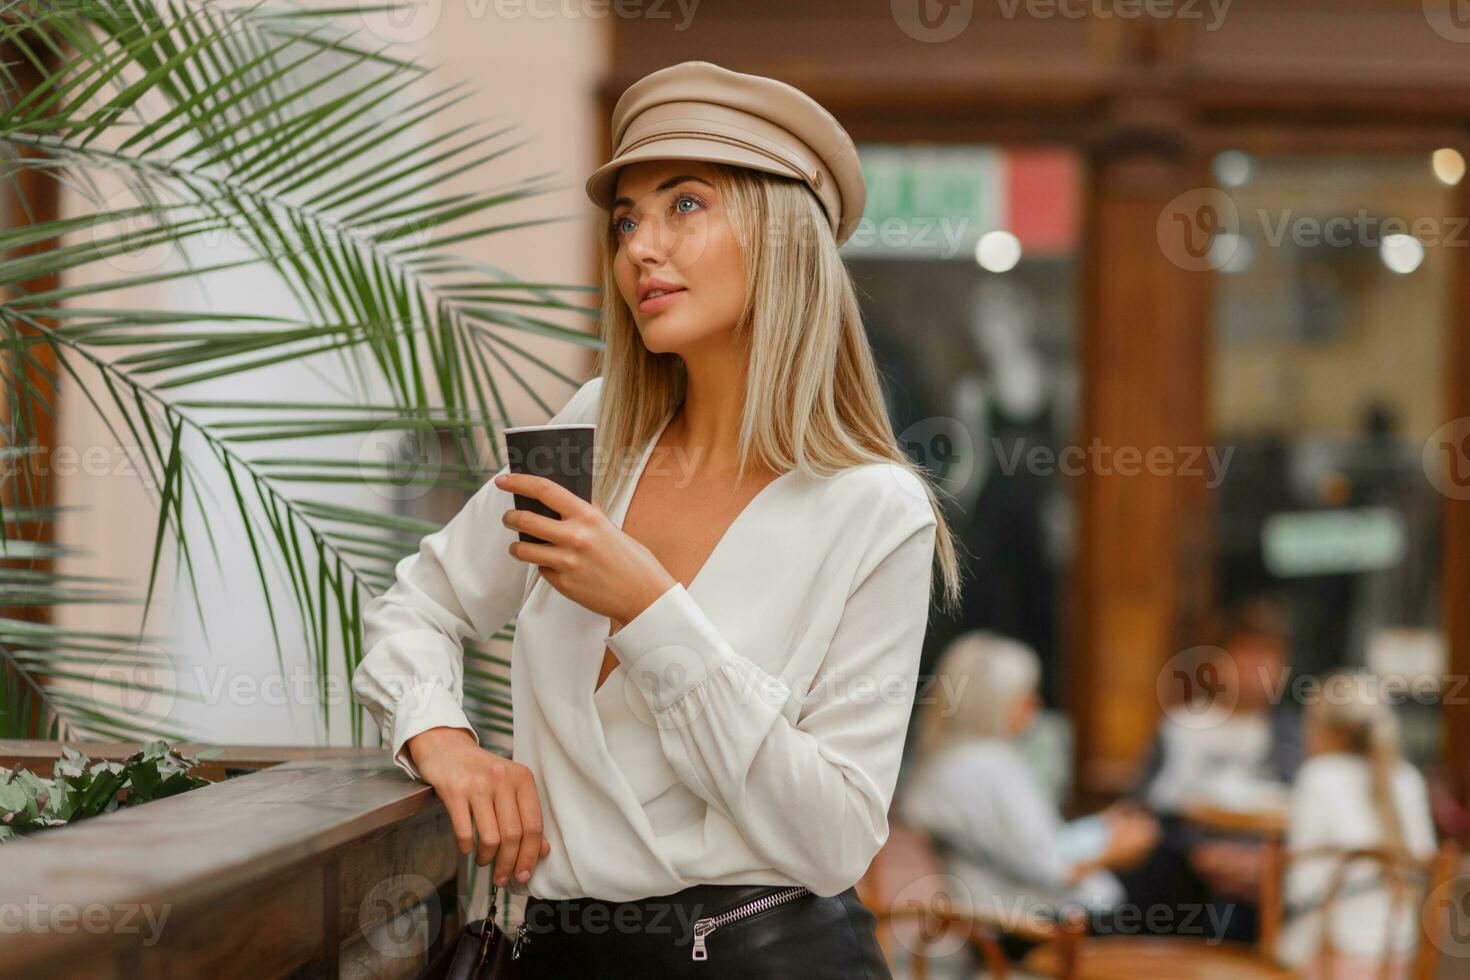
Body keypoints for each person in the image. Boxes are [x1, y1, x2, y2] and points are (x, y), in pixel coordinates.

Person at [349, 60, 964, 978]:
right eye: (627, 219)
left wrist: (649, 609)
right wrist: (445, 740)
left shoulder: (873, 508)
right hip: (547, 950)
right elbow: (420, 605)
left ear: (782, 236)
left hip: (762, 956)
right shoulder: (592, 433)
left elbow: (836, 837)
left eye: (686, 205)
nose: (641, 246)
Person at [899, 632, 1158, 958]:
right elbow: (1050, 869)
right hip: (1039, 930)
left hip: (1003, 922)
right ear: (993, 700)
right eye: (1026, 694)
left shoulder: (945, 762)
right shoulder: (990, 767)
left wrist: (1099, 827)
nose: (1035, 704)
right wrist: (1114, 849)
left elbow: (1025, 850)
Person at [1119, 597, 1304, 942]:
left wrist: (1262, 862)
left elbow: (1310, 815)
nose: (1256, 670)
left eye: (1269, 657)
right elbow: (1143, 811)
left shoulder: (1296, 738)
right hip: (1187, 881)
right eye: (1246, 656)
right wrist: (1201, 853)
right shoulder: (1180, 729)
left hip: (1269, 877)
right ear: (1218, 662)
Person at [1276, 672, 1437, 976]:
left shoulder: (1318, 776)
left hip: (1330, 953)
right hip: (1399, 953)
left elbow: (1299, 888)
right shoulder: (1408, 778)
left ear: (1324, 731)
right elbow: (1426, 863)